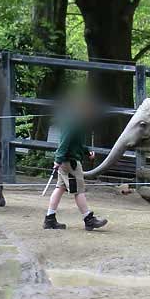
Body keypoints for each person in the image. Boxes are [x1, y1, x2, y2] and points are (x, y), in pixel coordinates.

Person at [43, 95, 108, 231]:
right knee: (79, 190)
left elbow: (75, 142)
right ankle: (88, 219)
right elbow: (64, 142)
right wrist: (58, 159)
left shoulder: (72, 120)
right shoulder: (74, 121)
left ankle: (49, 218)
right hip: (70, 162)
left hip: (66, 160)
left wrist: (86, 151)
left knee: (59, 188)